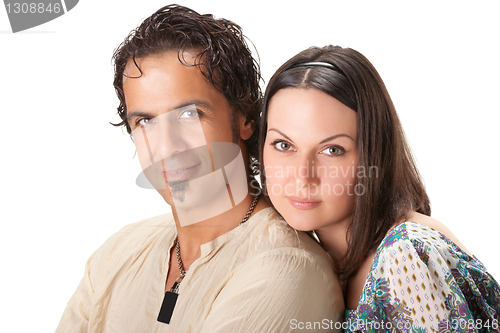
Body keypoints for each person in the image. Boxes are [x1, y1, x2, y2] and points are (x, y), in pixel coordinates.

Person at [55, 6, 344, 333]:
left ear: (245, 117)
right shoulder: (114, 255)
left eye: (189, 115)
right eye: (145, 121)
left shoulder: (287, 269)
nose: (166, 147)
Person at [259, 45, 500, 332]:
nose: (302, 177)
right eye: (284, 145)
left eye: (332, 150)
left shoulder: (406, 255)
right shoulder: (326, 262)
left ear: (374, 154)